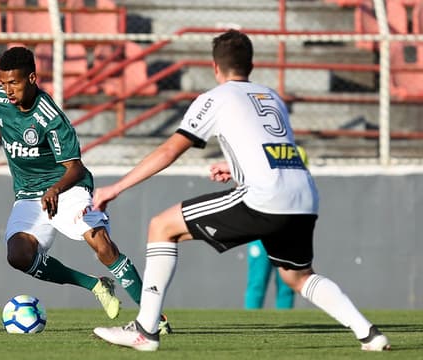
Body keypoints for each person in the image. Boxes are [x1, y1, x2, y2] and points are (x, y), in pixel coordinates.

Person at [91, 30, 390, 352]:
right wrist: (234, 169)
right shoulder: (270, 96)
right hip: (303, 195)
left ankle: (145, 331)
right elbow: (270, 150)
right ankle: (369, 335)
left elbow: (169, 150)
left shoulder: (215, 97)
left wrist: (115, 188)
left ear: (215, 67)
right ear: (251, 65)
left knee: (161, 226)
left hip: (265, 196)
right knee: (297, 276)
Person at [0, 46, 170, 333]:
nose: (7, 90)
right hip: (29, 194)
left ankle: (154, 316)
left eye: (14, 83)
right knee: (18, 256)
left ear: (32, 78)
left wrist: (56, 188)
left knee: (101, 244)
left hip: (67, 188)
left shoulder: (51, 118)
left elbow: (76, 168)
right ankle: (94, 285)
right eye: (3, 82)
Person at [244, 146, 307, 310]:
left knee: (287, 285)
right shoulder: (265, 177)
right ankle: (251, 326)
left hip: (288, 239)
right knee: (257, 283)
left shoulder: (300, 185)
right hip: (261, 238)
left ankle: (285, 326)